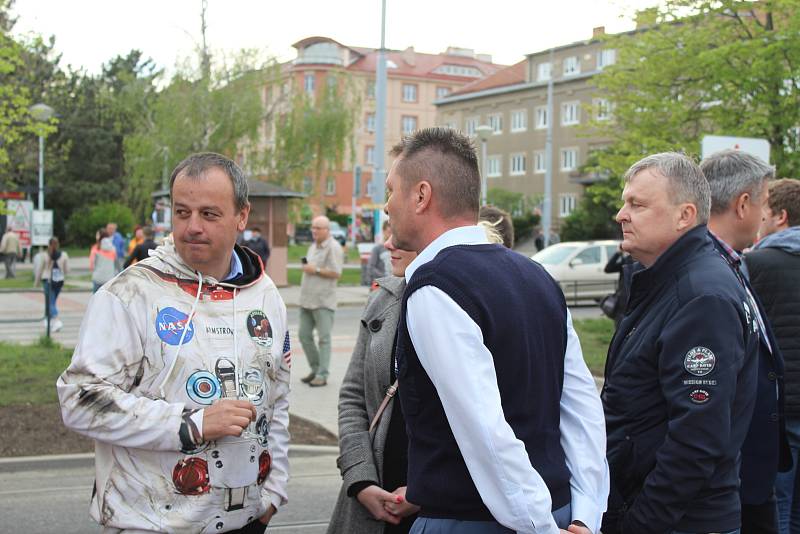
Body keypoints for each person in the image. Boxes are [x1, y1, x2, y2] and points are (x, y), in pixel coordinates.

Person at [385, 127, 608, 534]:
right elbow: (581, 408)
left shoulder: (436, 287)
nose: (386, 206)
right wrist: (585, 513)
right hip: (556, 512)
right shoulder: (538, 277)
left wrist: (540, 526)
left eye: (391, 191)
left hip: (478, 519)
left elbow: (484, 430)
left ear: (421, 195)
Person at [57, 152, 290, 533]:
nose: (192, 227)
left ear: (242, 216)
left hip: (247, 521)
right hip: (152, 523)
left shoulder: (265, 295)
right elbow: (79, 400)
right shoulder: (130, 293)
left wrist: (274, 493)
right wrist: (190, 424)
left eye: (209, 214)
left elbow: (277, 399)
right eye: (182, 212)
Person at [602, 152, 760, 534]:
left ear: (684, 215)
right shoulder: (666, 281)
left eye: (636, 204)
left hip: (677, 520)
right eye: (625, 203)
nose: (621, 215)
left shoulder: (700, 296)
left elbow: (696, 441)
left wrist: (637, 525)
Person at [701, 149, 790, 534]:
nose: (764, 214)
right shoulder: (709, 273)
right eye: (764, 202)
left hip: (747, 473)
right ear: (742, 205)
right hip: (725, 479)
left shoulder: (734, 263)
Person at [744, 178, 800, 532]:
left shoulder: (759, 262)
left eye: (764, 212)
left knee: (776, 505)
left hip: (782, 405)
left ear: (779, 216)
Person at [298, 215, 344, 388]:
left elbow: (336, 272)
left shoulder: (334, 247)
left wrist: (315, 269)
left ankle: (322, 374)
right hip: (307, 300)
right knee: (304, 335)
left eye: (318, 228)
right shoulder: (313, 246)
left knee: (324, 339)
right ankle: (316, 368)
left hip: (324, 301)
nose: (314, 231)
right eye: (313, 227)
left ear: (327, 230)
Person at [34, 237, 68, 333]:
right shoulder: (64, 255)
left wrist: (36, 281)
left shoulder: (45, 255)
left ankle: (56, 320)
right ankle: (47, 319)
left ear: (49, 245)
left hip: (47, 280)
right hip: (59, 281)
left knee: (50, 302)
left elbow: (40, 269)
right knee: (51, 301)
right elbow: (66, 270)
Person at [602, 246, 633, 328]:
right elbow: (608, 268)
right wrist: (618, 253)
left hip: (629, 303)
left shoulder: (635, 261)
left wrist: (623, 253)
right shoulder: (626, 261)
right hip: (622, 303)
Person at [89, 229, 117, 293]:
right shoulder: (113, 248)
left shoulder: (95, 248)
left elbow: (92, 265)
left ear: (99, 237)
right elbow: (115, 263)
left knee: (96, 300)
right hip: (109, 279)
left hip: (98, 278)